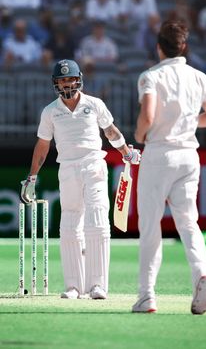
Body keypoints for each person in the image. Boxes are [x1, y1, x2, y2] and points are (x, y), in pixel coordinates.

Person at [20, 59, 141, 300]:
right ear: (55, 83)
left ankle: (98, 285)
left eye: (70, 79)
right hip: (67, 169)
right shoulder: (50, 111)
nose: (66, 84)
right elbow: (42, 147)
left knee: (96, 222)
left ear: (79, 79)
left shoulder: (94, 104)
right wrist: (32, 177)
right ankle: (73, 286)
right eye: (61, 80)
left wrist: (126, 153)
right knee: (69, 226)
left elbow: (110, 131)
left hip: (94, 165)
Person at [132, 20, 206, 314]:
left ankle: (147, 296)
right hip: (188, 156)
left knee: (150, 227)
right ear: (183, 46)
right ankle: (201, 274)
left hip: (159, 154)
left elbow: (147, 116)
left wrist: (138, 135)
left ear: (159, 47)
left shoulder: (150, 76)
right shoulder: (198, 76)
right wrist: (186, 122)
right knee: (188, 223)